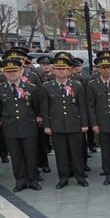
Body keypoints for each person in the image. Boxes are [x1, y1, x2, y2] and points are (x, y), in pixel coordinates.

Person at [0, 59, 41, 191]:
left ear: (21, 71)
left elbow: (36, 108)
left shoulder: (31, 88)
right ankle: (20, 181)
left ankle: (33, 180)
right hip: (10, 128)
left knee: (31, 155)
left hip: (28, 127)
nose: (11, 74)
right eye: (8, 72)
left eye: (14, 71)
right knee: (16, 156)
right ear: (4, 73)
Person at [40, 55, 90, 188]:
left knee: (77, 153)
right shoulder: (47, 87)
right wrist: (47, 126)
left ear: (69, 70)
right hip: (57, 126)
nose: (61, 71)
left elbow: (82, 106)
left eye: (64, 69)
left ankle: (80, 176)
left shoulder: (77, 86)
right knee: (60, 154)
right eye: (58, 69)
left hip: (75, 124)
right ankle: (63, 178)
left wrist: (85, 124)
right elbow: (45, 108)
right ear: (53, 70)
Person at [86, 55, 110, 185]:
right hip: (102, 123)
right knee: (106, 151)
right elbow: (90, 106)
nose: (106, 70)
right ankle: (109, 174)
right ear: (98, 69)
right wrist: (94, 124)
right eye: (103, 68)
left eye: (109, 67)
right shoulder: (92, 85)